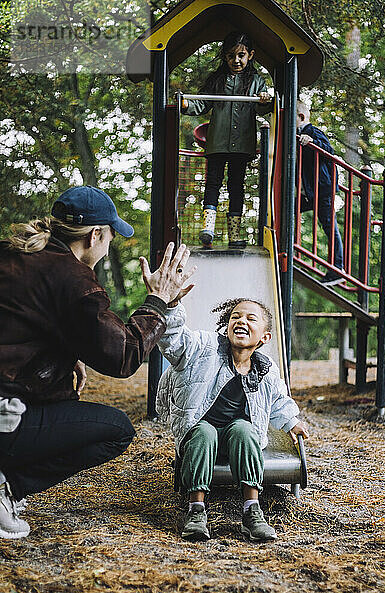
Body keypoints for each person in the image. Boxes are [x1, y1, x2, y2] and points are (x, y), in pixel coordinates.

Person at [0, 185, 195, 540]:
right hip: (4, 413)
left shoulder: (14, 255)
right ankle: (6, 487)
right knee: (116, 430)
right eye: (110, 237)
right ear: (95, 236)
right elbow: (123, 357)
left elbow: (21, 320)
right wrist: (158, 301)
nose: (109, 247)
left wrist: (64, 353)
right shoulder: (73, 280)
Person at [156, 297, 309, 542]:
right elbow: (174, 342)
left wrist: (292, 421)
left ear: (264, 337)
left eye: (251, 318)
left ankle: (252, 511)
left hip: (235, 441)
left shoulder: (265, 368)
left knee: (245, 429)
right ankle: (196, 511)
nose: (241, 321)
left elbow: (278, 400)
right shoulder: (204, 347)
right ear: (227, 327)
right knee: (204, 431)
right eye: (235, 316)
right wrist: (172, 304)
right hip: (201, 434)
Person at [181, 31, 273, 249]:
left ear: (250, 55)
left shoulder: (256, 81)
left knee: (236, 187)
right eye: (231, 56)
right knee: (213, 182)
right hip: (218, 142)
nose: (236, 61)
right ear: (225, 57)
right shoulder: (217, 80)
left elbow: (265, 107)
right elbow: (202, 104)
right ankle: (208, 229)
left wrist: (265, 99)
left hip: (242, 144)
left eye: (241, 55)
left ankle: (234, 235)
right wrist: (186, 105)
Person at [296, 101, 345, 286]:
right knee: (288, 208)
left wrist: (313, 142)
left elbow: (329, 151)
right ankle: (288, 246)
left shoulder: (312, 131)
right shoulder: (297, 135)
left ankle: (337, 268)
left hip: (322, 189)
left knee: (329, 225)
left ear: (301, 118)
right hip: (309, 192)